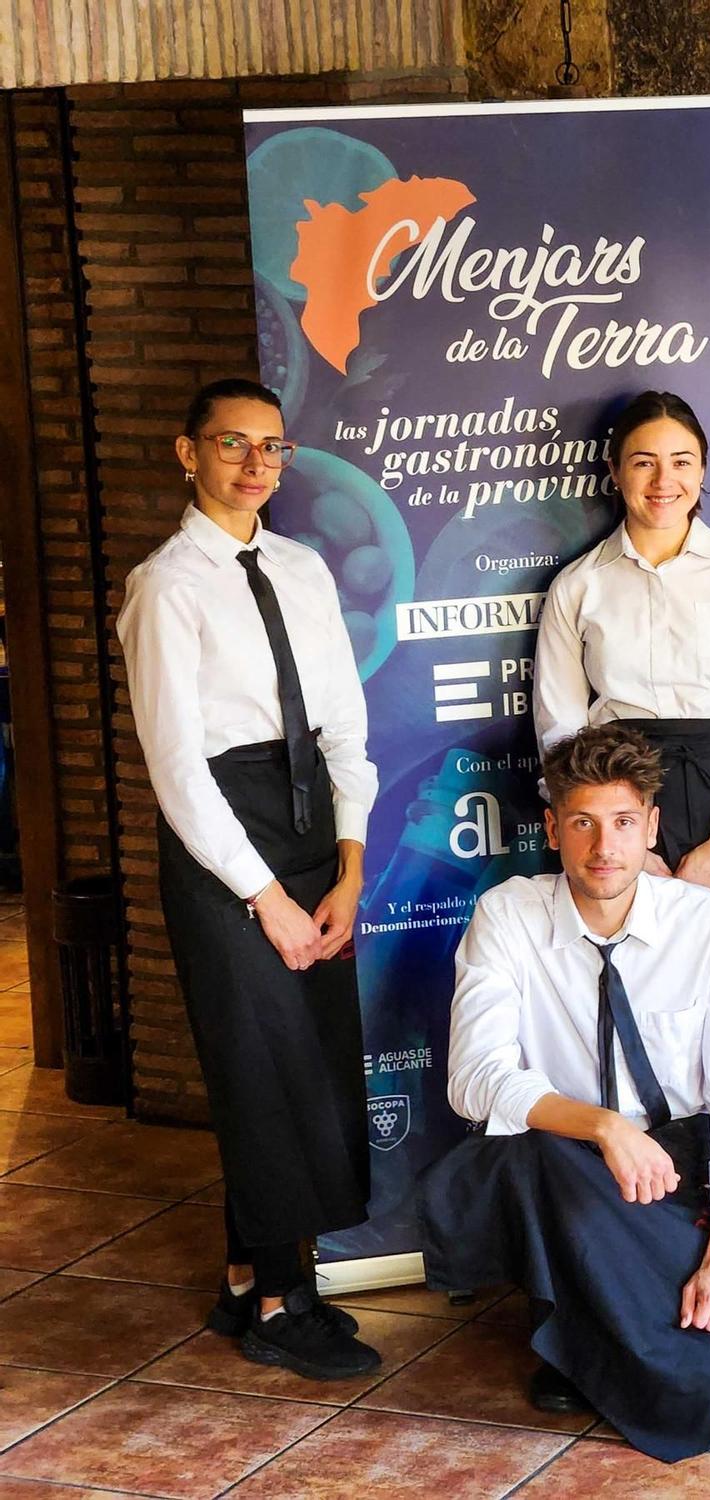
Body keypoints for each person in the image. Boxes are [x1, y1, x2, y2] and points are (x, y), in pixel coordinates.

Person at [414, 725, 710, 1462]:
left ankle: (610, 1321)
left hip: (679, 1164)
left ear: (650, 825)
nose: (603, 847)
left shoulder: (704, 923)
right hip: (573, 1158)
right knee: (530, 1155)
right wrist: (606, 1126)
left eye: (621, 823)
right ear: (552, 829)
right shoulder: (509, 915)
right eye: (581, 823)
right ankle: (572, 1332)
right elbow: (473, 1078)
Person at [117, 377, 380, 1379]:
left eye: (272, 447)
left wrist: (348, 869)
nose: (256, 463)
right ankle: (282, 1301)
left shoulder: (306, 569)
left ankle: (240, 1275)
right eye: (233, 444)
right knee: (261, 1071)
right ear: (189, 454)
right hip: (221, 846)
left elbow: (346, 728)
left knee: (310, 1059)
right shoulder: (164, 586)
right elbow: (178, 770)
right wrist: (262, 897)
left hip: (314, 827)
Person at [534, 390, 710, 1180]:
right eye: (644, 462)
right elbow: (561, 732)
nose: (664, 480)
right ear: (615, 474)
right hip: (619, 813)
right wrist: (626, 842)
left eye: (682, 462)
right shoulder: (579, 586)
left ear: (705, 471)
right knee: (644, 996)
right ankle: (660, 1188)